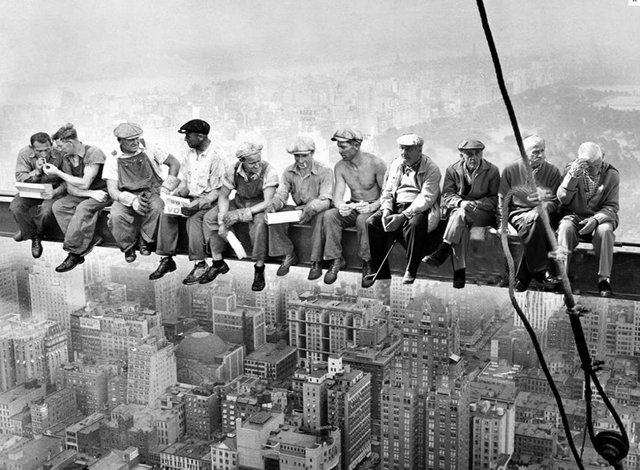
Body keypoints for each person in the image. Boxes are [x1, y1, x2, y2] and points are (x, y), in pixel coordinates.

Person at [149, 119, 225, 284]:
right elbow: (186, 183)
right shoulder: (189, 155)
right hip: (191, 198)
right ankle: (166, 258)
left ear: (200, 136)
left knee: (194, 219)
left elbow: (217, 191)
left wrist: (198, 204)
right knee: (167, 213)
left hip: (209, 201)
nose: (186, 140)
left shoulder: (216, 157)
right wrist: (175, 196)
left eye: (188, 136)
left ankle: (200, 263)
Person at [365, 133, 441, 287]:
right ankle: (381, 271)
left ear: (419, 150)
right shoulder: (396, 164)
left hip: (417, 207)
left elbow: (426, 198)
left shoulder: (432, 169)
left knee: (416, 225)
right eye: (402, 148)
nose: (403, 153)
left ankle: (411, 269)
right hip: (395, 204)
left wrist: (403, 216)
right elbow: (387, 191)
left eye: (408, 149)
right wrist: (386, 210)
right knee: (372, 222)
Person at [314, 127, 386, 286]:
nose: (339, 150)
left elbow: (388, 195)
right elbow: (338, 196)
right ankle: (336, 260)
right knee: (329, 215)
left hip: (374, 207)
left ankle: (368, 263)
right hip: (354, 205)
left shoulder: (376, 164)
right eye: (338, 146)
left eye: (343, 146)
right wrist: (341, 206)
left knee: (363, 220)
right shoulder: (340, 166)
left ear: (356, 146)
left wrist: (372, 206)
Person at [202, 142, 279, 290]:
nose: (257, 165)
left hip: (259, 205)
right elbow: (224, 196)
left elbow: (267, 201)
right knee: (210, 218)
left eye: (258, 161)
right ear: (242, 161)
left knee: (260, 225)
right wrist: (223, 221)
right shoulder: (233, 170)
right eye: (252, 163)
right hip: (239, 201)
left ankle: (259, 268)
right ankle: (218, 261)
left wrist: (239, 215)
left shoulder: (270, 171)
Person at [424, 139, 500, 288]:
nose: (474, 157)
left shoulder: (492, 171)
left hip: (483, 214)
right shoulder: (452, 170)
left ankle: (445, 248)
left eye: (477, 153)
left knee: (459, 216)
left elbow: (495, 199)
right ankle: (459, 275)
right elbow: (447, 195)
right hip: (460, 213)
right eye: (469, 154)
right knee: (461, 226)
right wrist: (461, 203)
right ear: (461, 156)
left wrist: (477, 204)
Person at [103, 122, 181, 263]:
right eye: (130, 140)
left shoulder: (148, 147)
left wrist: (166, 188)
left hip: (152, 191)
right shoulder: (113, 158)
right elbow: (112, 191)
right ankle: (128, 247)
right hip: (126, 194)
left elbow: (175, 163)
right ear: (120, 141)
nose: (135, 142)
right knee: (116, 215)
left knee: (157, 208)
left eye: (137, 138)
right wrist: (132, 200)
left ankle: (145, 240)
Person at [498, 135, 562, 291]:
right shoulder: (511, 170)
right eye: (536, 152)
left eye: (542, 151)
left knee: (536, 224)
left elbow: (554, 200)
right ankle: (540, 271)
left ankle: (524, 278)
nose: (541, 155)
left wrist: (539, 209)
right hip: (517, 212)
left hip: (543, 212)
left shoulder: (552, 171)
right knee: (536, 227)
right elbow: (503, 199)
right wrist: (503, 222)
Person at [43, 123, 110, 272]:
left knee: (83, 208)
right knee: (59, 206)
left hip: (103, 192)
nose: (59, 150)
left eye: (61, 146)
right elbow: (71, 187)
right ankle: (90, 239)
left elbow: (84, 183)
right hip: (90, 193)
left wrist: (58, 173)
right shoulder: (67, 157)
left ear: (71, 142)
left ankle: (74, 253)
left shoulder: (93, 153)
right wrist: (89, 194)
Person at [557, 142, 619, 297]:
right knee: (565, 228)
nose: (594, 169)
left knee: (605, 231)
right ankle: (562, 277)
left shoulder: (612, 175)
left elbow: (612, 206)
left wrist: (596, 220)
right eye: (589, 166)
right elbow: (563, 200)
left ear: (603, 157)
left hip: (600, 218)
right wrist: (572, 176)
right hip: (574, 216)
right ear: (580, 161)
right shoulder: (571, 170)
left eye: (597, 164)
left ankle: (604, 279)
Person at [265, 136, 333, 276]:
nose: (300, 160)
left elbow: (326, 199)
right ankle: (288, 253)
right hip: (299, 209)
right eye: (297, 156)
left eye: (304, 156)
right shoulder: (289, 171)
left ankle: (316, 261)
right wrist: (273, 206)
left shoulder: (325, 171)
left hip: (317, 208)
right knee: (275, 217)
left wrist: (311, 207)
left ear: (312, 153)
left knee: (320, 218)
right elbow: (281, 195)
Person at [10, 132, 66, 258]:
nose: (44, 154)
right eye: (39, 151)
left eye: (47, 150)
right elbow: (20, 177)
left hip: (53, 190)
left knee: (46, 212)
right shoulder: (24, 154)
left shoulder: (60, 153)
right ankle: (32, 235)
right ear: (32, 148)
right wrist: (37, 172)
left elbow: (67, 180)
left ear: (51, 145)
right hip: (31, 190)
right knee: (16, 207)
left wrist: (55, 192)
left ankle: (31, 232)